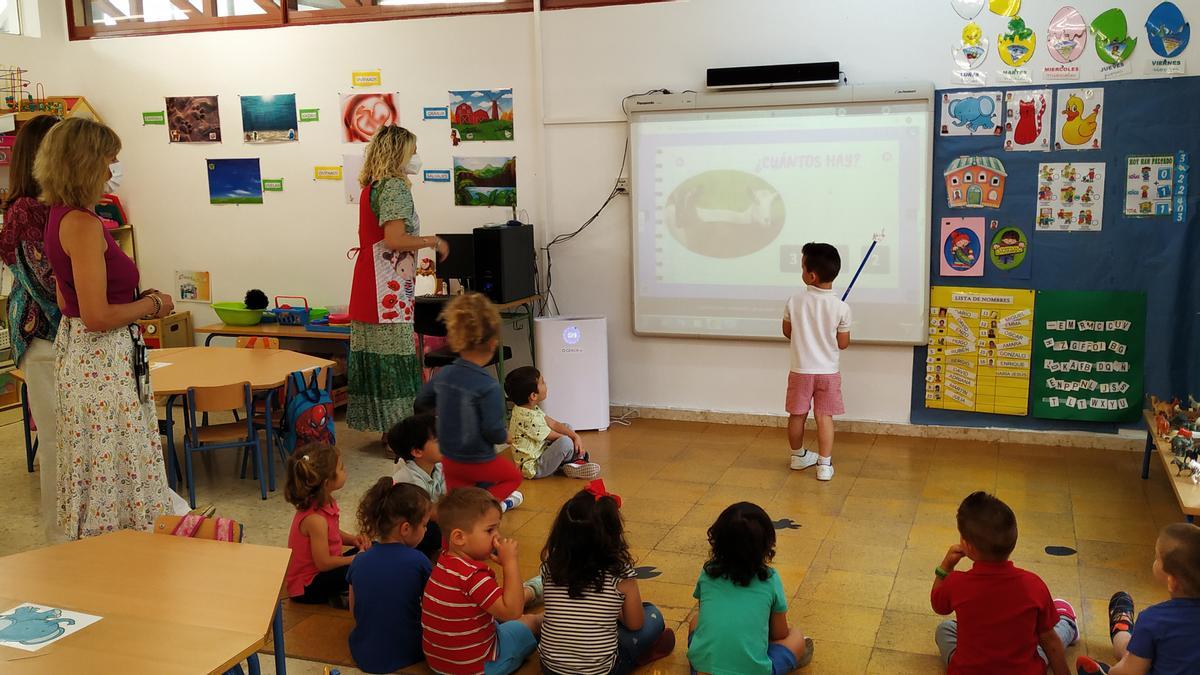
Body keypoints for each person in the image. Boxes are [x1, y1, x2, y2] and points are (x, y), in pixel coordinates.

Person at [36, 116, 186, 539]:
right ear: (85, 162)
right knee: (113, 462)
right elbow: (97, 315)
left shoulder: (62, 216)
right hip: (99, 361)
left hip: (86, 356)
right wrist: (151, 304)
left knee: (104, 461)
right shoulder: (82, 225)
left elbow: (68, 300)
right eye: (109, 159)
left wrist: (131, 303)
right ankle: (120, 552)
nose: (112, 169)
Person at [347, 125, 449, 443]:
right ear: (399, 153)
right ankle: (400, 436)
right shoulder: (393, 188)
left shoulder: (372, 187)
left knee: (379, 363)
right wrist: (432, 241)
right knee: (395, 363)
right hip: (386, 291)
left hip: (372, 286)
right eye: (413, 151)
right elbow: (394, 239)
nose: (416, 157)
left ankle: (390, 432)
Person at [931, 491, 1077, 675]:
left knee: (945, 629)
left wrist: (946, 565)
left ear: (967, 546)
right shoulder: (1033, 585)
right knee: (1044, 637)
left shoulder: (956, 583)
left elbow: (937, 604)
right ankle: (1068, 623)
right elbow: (1050, 641)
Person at [0, 115, 62, 542]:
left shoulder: (57, 206)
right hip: (45, 340)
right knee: (59, 446)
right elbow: (47, 285)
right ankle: (60, 539)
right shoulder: (25, 210)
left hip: (67, 339)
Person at [539, 482, 674, 675]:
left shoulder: (550, 567)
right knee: (652, 615)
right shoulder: (621, 573)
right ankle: (640, 655)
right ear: (613, 534)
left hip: (550, 669)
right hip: (600, 671)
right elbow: (635, 624)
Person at [415, 293, 523, 511]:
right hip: (479, 460)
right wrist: (505, 435)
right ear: (493, 343)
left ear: (457, 341)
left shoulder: (444, 375)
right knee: (513, 477)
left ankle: (451, 541)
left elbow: (421, 403)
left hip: (450, 460)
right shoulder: (489, 387)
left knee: (454, 505)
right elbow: (492, 430)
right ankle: (481, 508)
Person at [421, 487, 542, 675]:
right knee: (528, 621)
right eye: (490, 530)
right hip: (478, 667)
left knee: (500, 612)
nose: (498, 536)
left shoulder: (443, 562)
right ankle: (549, 617)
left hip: (439, 664)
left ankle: (535, 589)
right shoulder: (474, 576)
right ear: (459, 537)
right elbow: (512, 611)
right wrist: (510, 563)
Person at [688, 502, 812, 675]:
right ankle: (782, 660)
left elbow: (705, 618)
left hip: (702, 670)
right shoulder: (770, 579)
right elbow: (779, 634)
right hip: (754, 670)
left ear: (717, 541)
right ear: (767, 545)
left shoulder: (707, 573)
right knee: (796, 637)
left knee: (695, 620)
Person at [1076, 523, 1200, 675]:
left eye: (1157, 558)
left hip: (1141, 661)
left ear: (1172, 581)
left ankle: (1122, 630)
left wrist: (1112, 672)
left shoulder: (1153, 619)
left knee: (1131, 653)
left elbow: (1130, 672)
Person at [347, 478, 433, 674]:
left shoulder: (359, 560)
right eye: (424, 525)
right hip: (408, 651)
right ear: (405, 528)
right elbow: (435, 607)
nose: (426, 530)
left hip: (362, 651)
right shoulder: (418, 561)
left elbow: (354, 610)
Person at [783, 242, 851, 481]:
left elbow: (787, 331)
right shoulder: (841, 307)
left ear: (811, 276)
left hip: (800, 370)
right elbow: (843, 343)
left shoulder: (794, 301)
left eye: (802, 267)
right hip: (828, 373)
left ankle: (797, 456)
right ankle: (824, 464)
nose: (801, 272)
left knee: (797, 415)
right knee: (824, 417)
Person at [283, 443, 369, 608]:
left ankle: (341, 594)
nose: (345, 471)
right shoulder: (315, 520)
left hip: (324, 571)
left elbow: (333, 532)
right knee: (363, 566)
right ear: (327, 482)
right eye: (342, 468)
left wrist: (353, 540)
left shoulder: (324, 501)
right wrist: (354, 559)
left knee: (374, 550)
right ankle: (347, 597)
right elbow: (323, 563)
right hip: (307, 587)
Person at [503, 366, 600, 480]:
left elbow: (553, 424)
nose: (546, 384)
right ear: (533, 396)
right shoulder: (527, 418)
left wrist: (575, 435)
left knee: (566, 427)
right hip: (534, 468)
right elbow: (557, 437)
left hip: (541, 450)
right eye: (542, 382)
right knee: (565, 442)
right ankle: (575, 461)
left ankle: (570, 463)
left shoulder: (527, 408)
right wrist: (574, 440)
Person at [388, 413, 445, 559]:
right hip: (407, 535)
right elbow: (433, 513)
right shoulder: (409, 479)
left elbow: (447, 495)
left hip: (423, 524)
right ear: (417, 451)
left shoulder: (437, 466)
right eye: (438, 440)